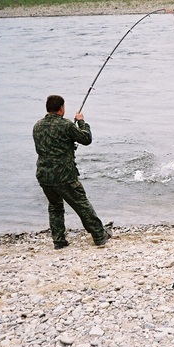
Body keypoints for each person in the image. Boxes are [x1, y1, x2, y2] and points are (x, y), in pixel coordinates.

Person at [33, 95, 112, 249]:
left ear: (48, 108)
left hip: (44, 175)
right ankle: (99, 235)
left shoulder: (37, 126)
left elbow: (52, 143)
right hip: (64, 175)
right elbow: (86, 138)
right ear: (61, 108)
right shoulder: (66, 125)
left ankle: (59, 241)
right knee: (82, 204)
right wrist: (81, 121)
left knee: (55, 206)